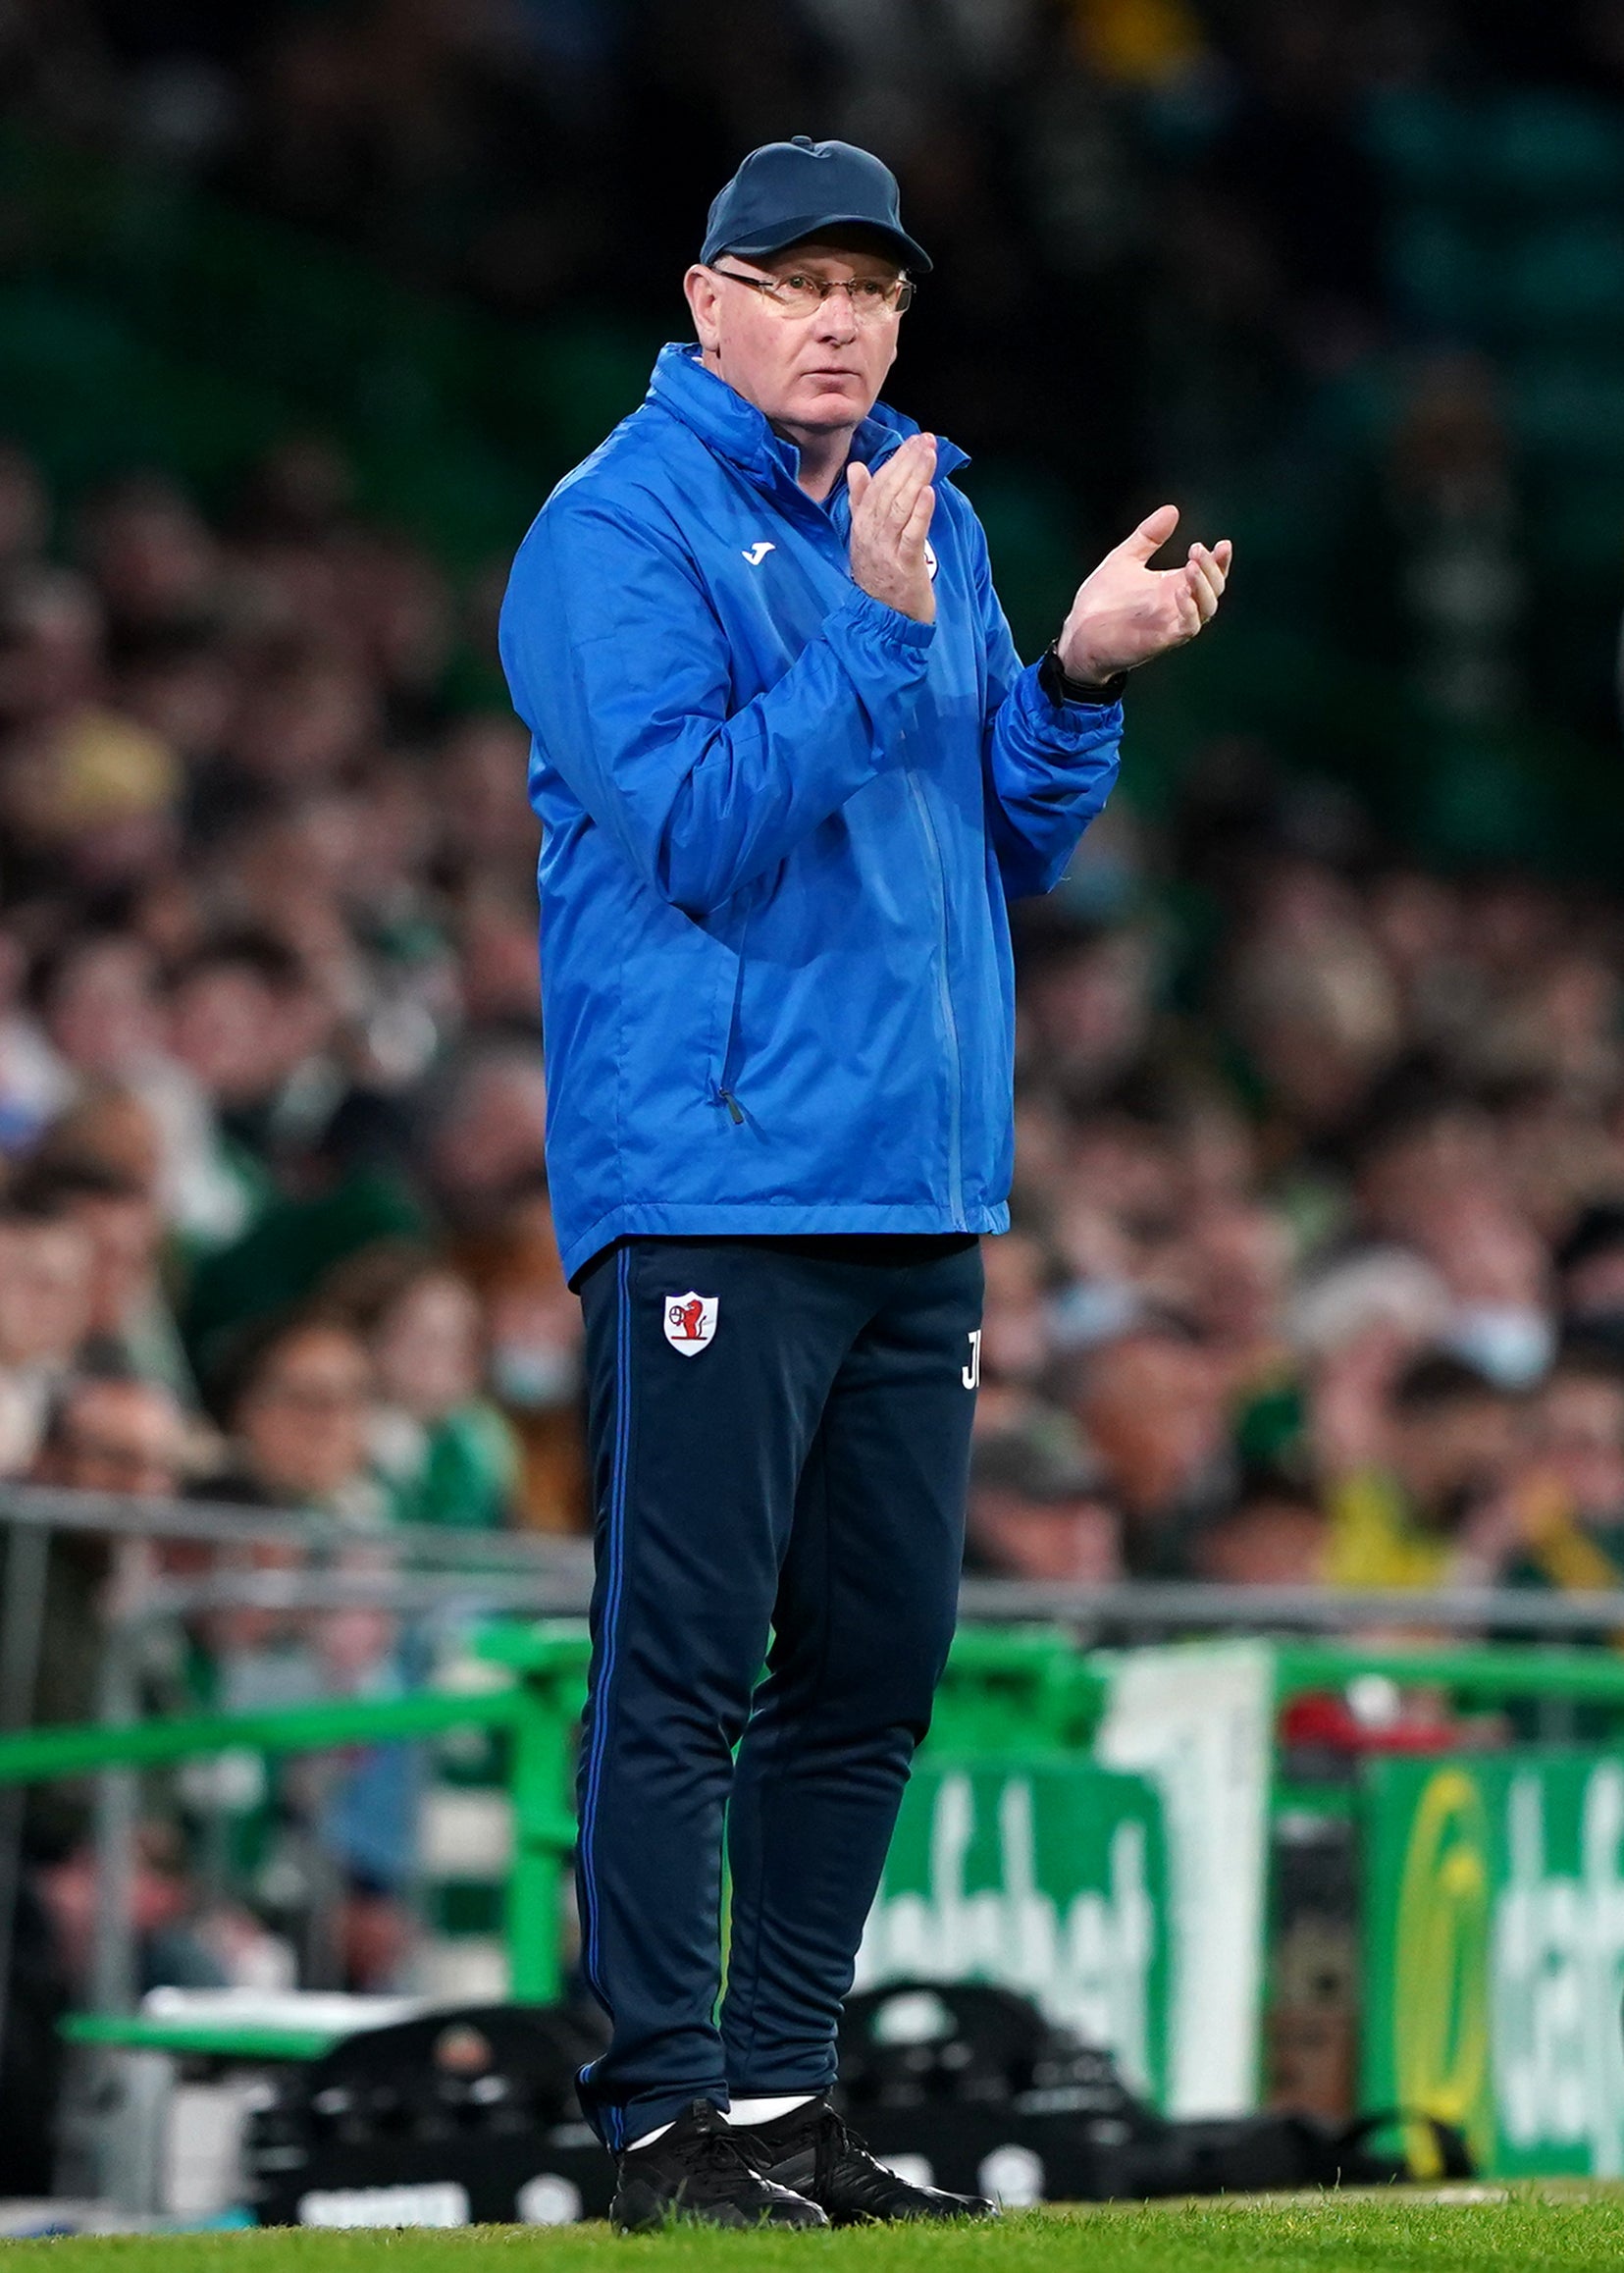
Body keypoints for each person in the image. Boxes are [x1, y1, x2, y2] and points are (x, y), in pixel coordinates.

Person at [499, 134, 1231, 2231]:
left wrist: (1073, 675)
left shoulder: (931, 511)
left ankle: (782, 2107)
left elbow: (996, 846)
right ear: (707, 302)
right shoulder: (608, 530)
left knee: (874, 1667)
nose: (840, 323)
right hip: (716, 1184)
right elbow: (697, 830)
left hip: (920, 1190)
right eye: (798, 283)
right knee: (682, 1666)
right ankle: (655, 2127)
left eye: (875, 291)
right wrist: (868, 635)